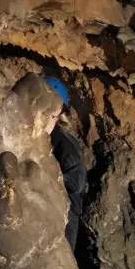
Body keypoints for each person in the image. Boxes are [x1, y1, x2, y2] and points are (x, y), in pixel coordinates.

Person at [44, 77, 87, 252]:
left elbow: (74, 186)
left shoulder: (67, 148)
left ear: (57, 110)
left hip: (65, 219)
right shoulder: (37, 138)